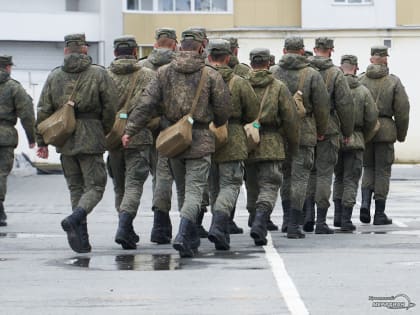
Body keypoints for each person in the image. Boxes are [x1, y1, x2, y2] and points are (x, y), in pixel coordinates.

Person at [122, 29, 231, 258]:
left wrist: (130, 130)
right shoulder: (210, 75)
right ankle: (184, 234)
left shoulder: (162, 73)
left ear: (181, 47)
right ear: (202, 48)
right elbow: (223, 110)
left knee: (182, 188)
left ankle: (188, 236)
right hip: (200, 138)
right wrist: (215, 120)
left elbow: (145, 104)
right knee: (194, 190)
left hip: (171, 138)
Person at [36, 33, 117, 253]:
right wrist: (105, 129)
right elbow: (111, 106)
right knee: (96, 187)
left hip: (64, 138)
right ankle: (75, 218)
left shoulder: (54, 76)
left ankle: (81, 239)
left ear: (65, 51)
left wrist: (41, 140)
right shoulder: (99, 74)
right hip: (91, 135)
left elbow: (43, 109)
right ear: (85, 50)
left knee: (76, 188)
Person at [270, 36, 330, 238]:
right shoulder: (312, 74)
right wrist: (321, 130)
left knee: (284, 177)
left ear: (284, 50)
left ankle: (287, 220)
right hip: (305, 131)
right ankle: (295, 224)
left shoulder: (273, 72)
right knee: (300, 178)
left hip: (280, 133)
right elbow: (322, 108)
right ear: (303, 51)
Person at [206, 39, 259, 249]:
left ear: (209, 57)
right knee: (230, 185)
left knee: (213, 185)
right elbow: (253, 112)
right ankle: (220, 224)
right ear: (229, 58)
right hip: (233, 137)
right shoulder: (239, 82)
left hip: (206, 138)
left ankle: (216, 224)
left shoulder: (201, 80)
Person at [246, 48, 300, 246]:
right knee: (269, 185)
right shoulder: (278, 87)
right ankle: (261, 220)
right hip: (272, 142)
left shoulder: (242, 84)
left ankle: (254, 217)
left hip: (248, 140)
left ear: (251, 62)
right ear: (269, 63)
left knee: (251, 185)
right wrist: (293, 145)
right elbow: (290, 119)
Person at [107, 36, 156, 249]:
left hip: (113, 138)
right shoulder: (148, 76)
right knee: (134, 185)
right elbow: (156, 106)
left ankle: (124, 225)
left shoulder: (104, 76)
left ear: (115, 53)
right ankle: (125, 226)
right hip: (140, 137)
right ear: (135, 52)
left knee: (119, 186)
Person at [306, 37, 354, 234]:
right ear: (331, 51)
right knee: (325, 174)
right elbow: (345, 105)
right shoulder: (335, 73)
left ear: (315, 49)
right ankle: (320, 221)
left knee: (309, 173)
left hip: (307, 126)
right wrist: (347, 131)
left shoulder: (305, 71)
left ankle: (306, 216)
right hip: (330, 128)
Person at [358, 46, 410, 225]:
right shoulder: (393, 82)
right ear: (385, 60)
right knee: (382, 171)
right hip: (386, 130)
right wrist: (401, 134)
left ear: (371, 59)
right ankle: (379, 214)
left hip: (366, 131)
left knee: (368, 168)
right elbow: (402, 111)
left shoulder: (360, 80)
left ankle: (364, 202)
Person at [139, 27, 178, 245]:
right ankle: (191, 224)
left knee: (159, 176)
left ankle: (160, 224)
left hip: (149, 131)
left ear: (155, 43)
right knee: (183, 178)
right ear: (174, 44)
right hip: (177, 128)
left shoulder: (142, 67)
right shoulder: (181, 67)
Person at [332, 54, 378, 232]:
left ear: (340, 67)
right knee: (351, 180)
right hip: (356, 138)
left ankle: (336, 216)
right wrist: (362, 137)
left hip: (335, 138)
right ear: (356, 68)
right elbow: (371, 119)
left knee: (339, 178)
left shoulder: (333, 88)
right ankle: (345, 219)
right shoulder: (363, 91)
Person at [0, 55, 36, 226]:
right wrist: (32, 138)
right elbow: (27, 114)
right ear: (7, 67)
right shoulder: (14, 87)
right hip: (4, 136)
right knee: (1, 173)